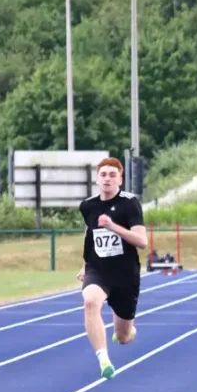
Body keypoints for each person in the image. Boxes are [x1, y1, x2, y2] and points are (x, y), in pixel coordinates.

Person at [76, 157, 148, 379]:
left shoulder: (130, 204)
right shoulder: (88, 206)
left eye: (112, 175)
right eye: (103, 175)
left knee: (124, 335)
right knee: (89, 301)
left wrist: (113, 226)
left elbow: (142, 242)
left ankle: (128, 330)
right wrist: (84, 265)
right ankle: (103, 359)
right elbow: (91, 236)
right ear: (97, 179)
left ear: (120, 179)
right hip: (99, 269)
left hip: (125, 274)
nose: (107, 179)